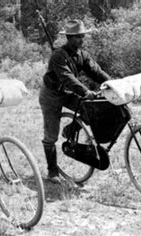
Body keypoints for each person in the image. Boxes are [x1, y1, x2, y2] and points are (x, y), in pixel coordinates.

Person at [39, 20, 111, 183]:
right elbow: (67, 78)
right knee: (51, 135)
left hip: (67, 92)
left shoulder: (82, 55)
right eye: (78, 37)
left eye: (82, 36)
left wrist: (112, 84)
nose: (81, 39)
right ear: (69, 38)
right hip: (50, 96)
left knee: (89, 111)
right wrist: (85, 92)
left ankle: (70, 129)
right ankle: (52, 171)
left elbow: (96, 72)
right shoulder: (58, 56)